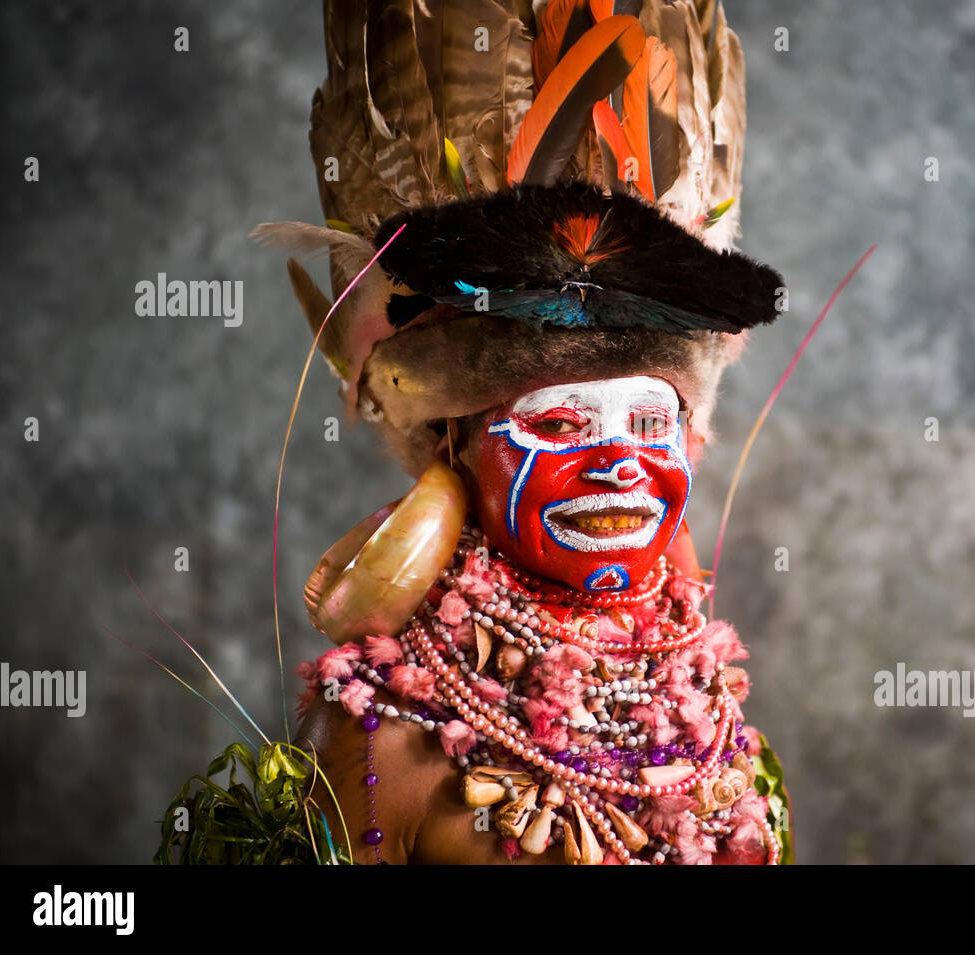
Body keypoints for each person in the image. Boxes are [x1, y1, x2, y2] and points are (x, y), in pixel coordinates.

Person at [277, 0, 791, 865]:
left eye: (649, 422)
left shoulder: (706, 706)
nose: (619, 465)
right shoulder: (385, 745)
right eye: (557, 423)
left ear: (690, 436)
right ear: (455, 445)